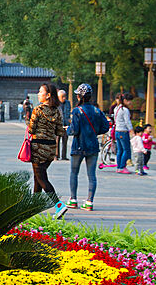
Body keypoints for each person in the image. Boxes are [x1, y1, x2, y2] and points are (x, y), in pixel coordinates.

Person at [65, 83, 109, 211]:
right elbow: (106, 126)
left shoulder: (77, 111)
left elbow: (74, 130)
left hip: (78, 145)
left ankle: (73, 200)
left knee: (74, 173)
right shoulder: (97, 111)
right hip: (93, 146)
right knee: (92, 175)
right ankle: (89, 201)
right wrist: (94, 131)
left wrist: (68, 130)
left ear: (79, 97)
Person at [28, 83, 67, 218]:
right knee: (37, 176)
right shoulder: (57, 111)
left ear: (48, 95)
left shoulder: (37, 110)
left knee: (41, 177)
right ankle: (33, 206)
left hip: (38, 147)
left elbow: (31, 129)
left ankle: (58, 205)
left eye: (40, 92)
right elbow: (60, 131)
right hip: (51, 148)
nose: (38, 94)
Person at [113, 94, 134, 173]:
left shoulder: (116, 108)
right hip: (123, 131)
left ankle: (119, 167)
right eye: (129, 101)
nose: (130, 103)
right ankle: (122, 167)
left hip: (117, 131)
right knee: (126, 150)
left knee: (120, 150)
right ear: (125, 100)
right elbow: (127, 122)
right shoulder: (124, 110)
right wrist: (131, 130)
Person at [55, 89, 71, 160]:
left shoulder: (68, 103)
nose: (64, 98)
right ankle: (56, 155)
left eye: (65, 96)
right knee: (57, 141)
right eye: (62, 97)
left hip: (66, 125)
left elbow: (68, 114)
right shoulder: (56, 104)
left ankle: (64, 156)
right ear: (58, 97)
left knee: (65, 140)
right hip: (58, 125)